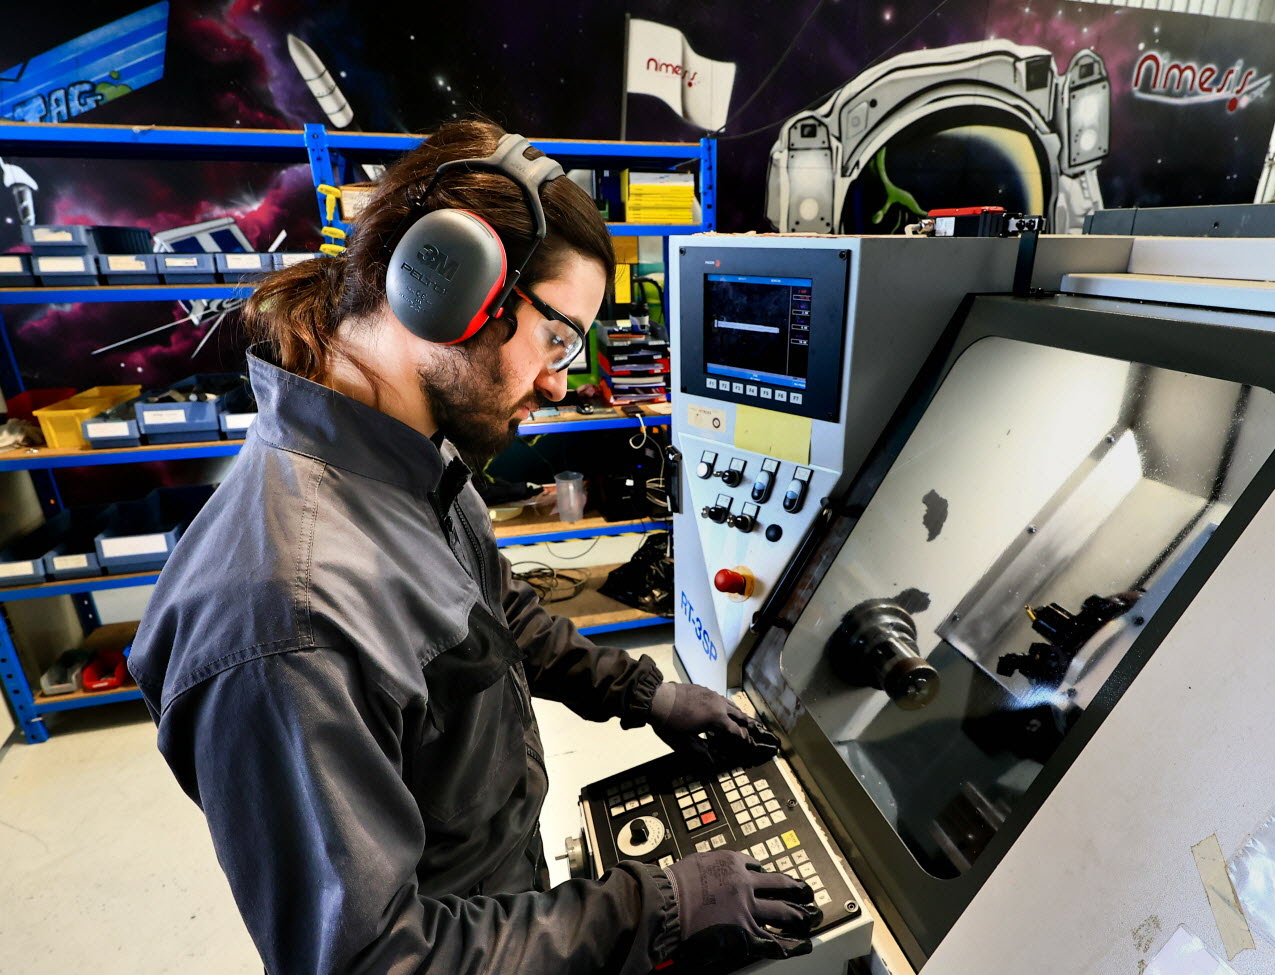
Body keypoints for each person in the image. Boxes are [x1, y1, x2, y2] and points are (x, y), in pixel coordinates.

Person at [127, 118, 820, 975]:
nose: (562, 379)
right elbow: (374, 959)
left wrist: (645, 695)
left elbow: (489, 613)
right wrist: (655, 905)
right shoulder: (285, 619)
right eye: (558, 337)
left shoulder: (406, 453)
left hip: (507, 907)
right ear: (448, 287)